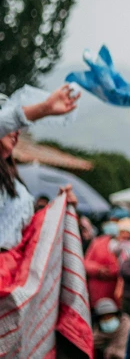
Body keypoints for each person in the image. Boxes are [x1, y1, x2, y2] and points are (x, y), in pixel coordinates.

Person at [1, 85, 80, 251]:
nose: (17, 131)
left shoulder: (15, 184)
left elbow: (26, 236)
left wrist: (58, 210)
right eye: (11, 125)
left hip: (11, 273)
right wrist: (43, 109)